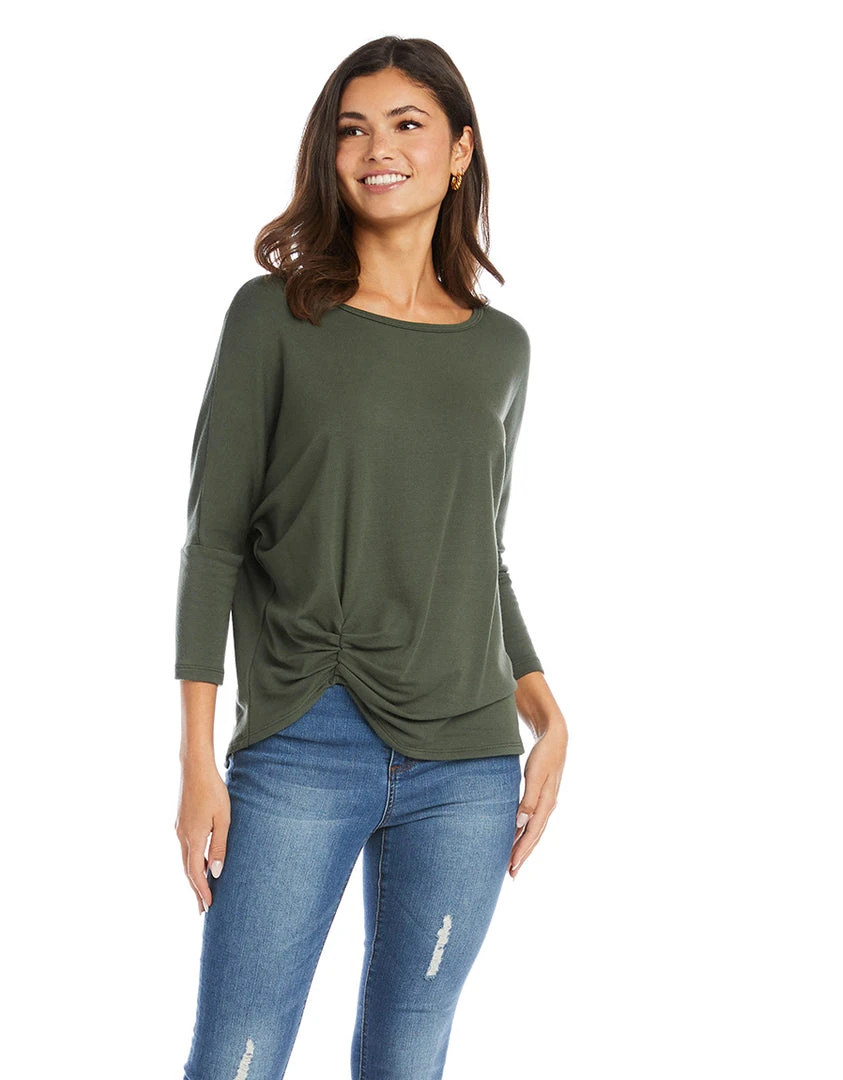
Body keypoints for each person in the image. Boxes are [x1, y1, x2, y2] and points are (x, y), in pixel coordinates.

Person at [173, 34, 568, 1080]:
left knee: (408, 1057)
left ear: (459, 152)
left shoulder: (500, 348)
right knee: (237, 1056)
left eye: (406, 125)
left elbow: (477, 554)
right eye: (353, 129)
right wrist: (197, 761)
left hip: (469, 763)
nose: (376, 149)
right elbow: (213, 544)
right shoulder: (274, 317)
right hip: (304, 740)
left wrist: (546, 713)